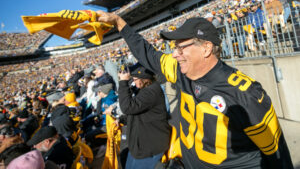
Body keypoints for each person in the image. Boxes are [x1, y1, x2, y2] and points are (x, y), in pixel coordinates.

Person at [95, 11, 293, 168]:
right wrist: (119, 22)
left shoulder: (245, 93)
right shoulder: (182, 72)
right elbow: (148, 54)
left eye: (181, 47)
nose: (174, 54)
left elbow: (277, 154)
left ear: (206, 48)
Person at [118, 63, 171, 169]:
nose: (133, 81)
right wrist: (121, 119)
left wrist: (123, 82)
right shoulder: (145, 90)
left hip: (150, 146)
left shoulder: (152, 91)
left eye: (135, 79)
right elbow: (137, 112)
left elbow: (128, 107)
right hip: (141, 145)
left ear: (144, 78)